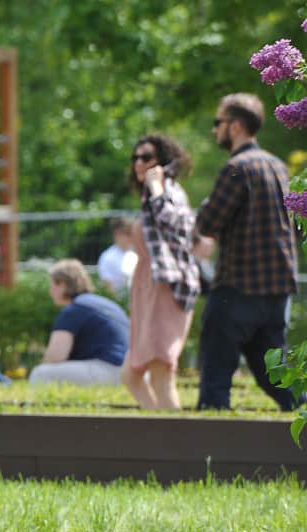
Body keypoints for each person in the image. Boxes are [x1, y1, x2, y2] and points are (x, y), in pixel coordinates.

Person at [196, 93, 300, 411]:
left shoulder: (237, 168)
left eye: (219, 123)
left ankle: (209, 451)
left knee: (215, 375)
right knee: (277, 376)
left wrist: (201, 211)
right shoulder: (279, 167)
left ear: (236, 126)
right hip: (277, 290)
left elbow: (209, 223)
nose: (215, 130)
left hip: (238, 288)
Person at [119, 134, 202, 410]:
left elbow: (180, 225)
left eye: (146, 157)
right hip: (147, 291)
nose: (139, 163)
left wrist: (156, 187)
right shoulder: (151, 196)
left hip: (166, 291)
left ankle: (177, 446)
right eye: (135, 158)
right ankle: (161, 436)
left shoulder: (169, 191)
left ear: (163, 161)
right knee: (130, 375)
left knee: (160, 375)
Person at [29, 259, 129, 386]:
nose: (50, 291)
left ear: (63, 285)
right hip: (130, 372)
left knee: (40, 373)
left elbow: (55, 357)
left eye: (52, 285)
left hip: (109, 371)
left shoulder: (74, 309)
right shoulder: (104, 303)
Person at [96, 217, 138, 295]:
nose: (132, 237)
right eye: (128, 233)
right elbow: (107, 287)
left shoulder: (133, 255)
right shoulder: (108, 257)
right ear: (117, 234)